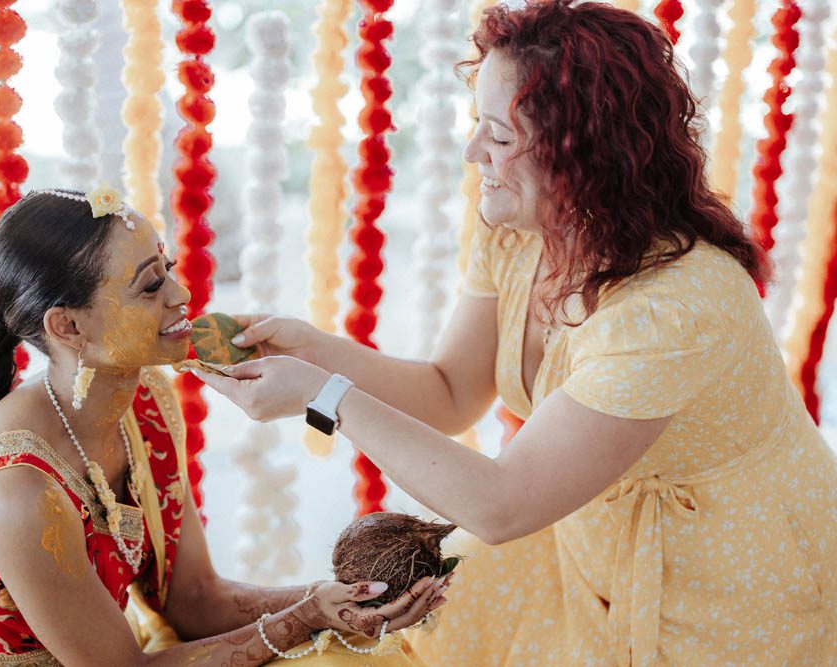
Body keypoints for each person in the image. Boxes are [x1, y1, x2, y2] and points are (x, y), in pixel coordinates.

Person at [192, 1, 837, 665]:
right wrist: (308, 348)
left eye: (498, 137)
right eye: (478, 125)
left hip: (732, 584)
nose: (473, 153)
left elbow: (501, 505)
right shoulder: (518, 232)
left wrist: (322, 396)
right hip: (591, 545)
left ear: (584, 156)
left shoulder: (674, 305)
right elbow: (449, 392)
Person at [0, 188, 446, 666]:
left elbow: (195, 601)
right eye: (151, 285)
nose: (181, 297)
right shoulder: (15, 491)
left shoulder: (146, 404)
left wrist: (342, 601)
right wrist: (306, 617)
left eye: (168, 270)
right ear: (69, 326)